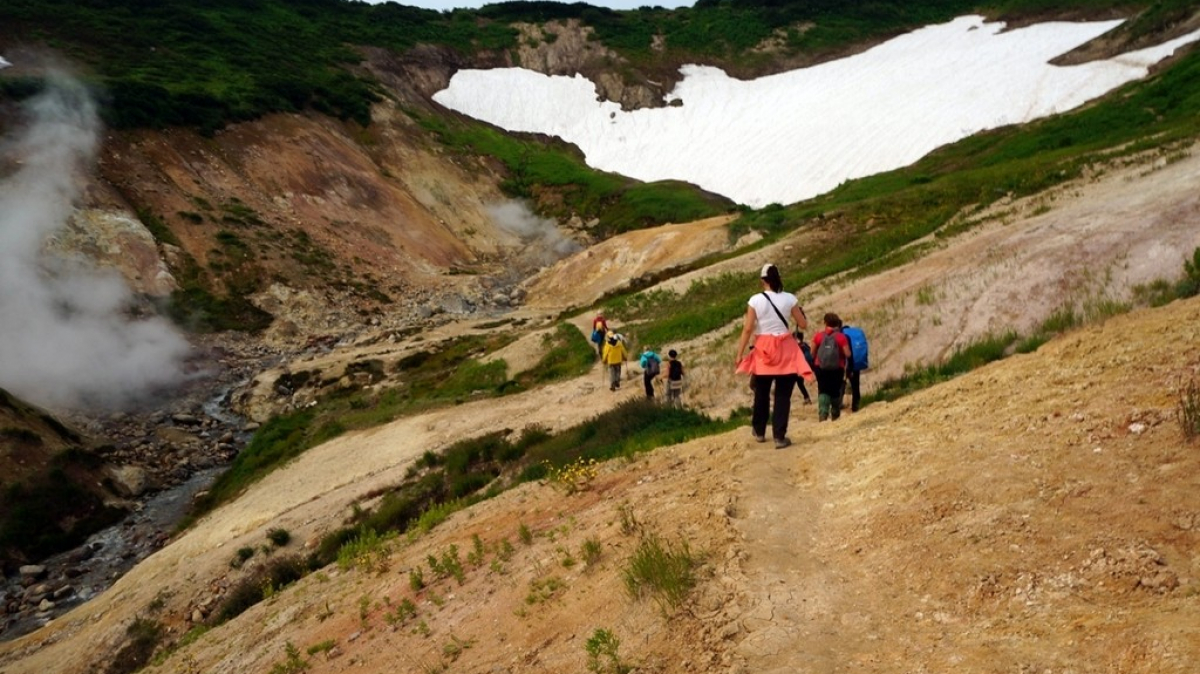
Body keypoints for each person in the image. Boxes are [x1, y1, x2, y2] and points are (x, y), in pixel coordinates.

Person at [735, 263, 812, 449]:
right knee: (783, 395)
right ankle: (779, 436)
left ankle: (759, 431)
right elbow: (803, 325)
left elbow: (747, 329)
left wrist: (740, 354)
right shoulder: (790, 298)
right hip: (786, 348)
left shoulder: (755, 300)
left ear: (763, 280)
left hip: (763, 350)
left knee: (761, 392)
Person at [811, 313, 852, 421]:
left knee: (823, 390)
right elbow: (848, 354)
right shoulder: (841, 337)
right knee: (835, 391)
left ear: (825, 323)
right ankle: (835, 414)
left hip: (821, 368)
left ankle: (823, 414)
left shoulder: (818, 336)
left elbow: (812, 353)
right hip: (837, 368)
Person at [794, 331, 814, 405]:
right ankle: (807, 398)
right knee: (800, 384)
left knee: (794, 384)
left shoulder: (799, 347)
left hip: (797, 369)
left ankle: (807, 398)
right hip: (802, 368)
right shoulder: (805, 345)